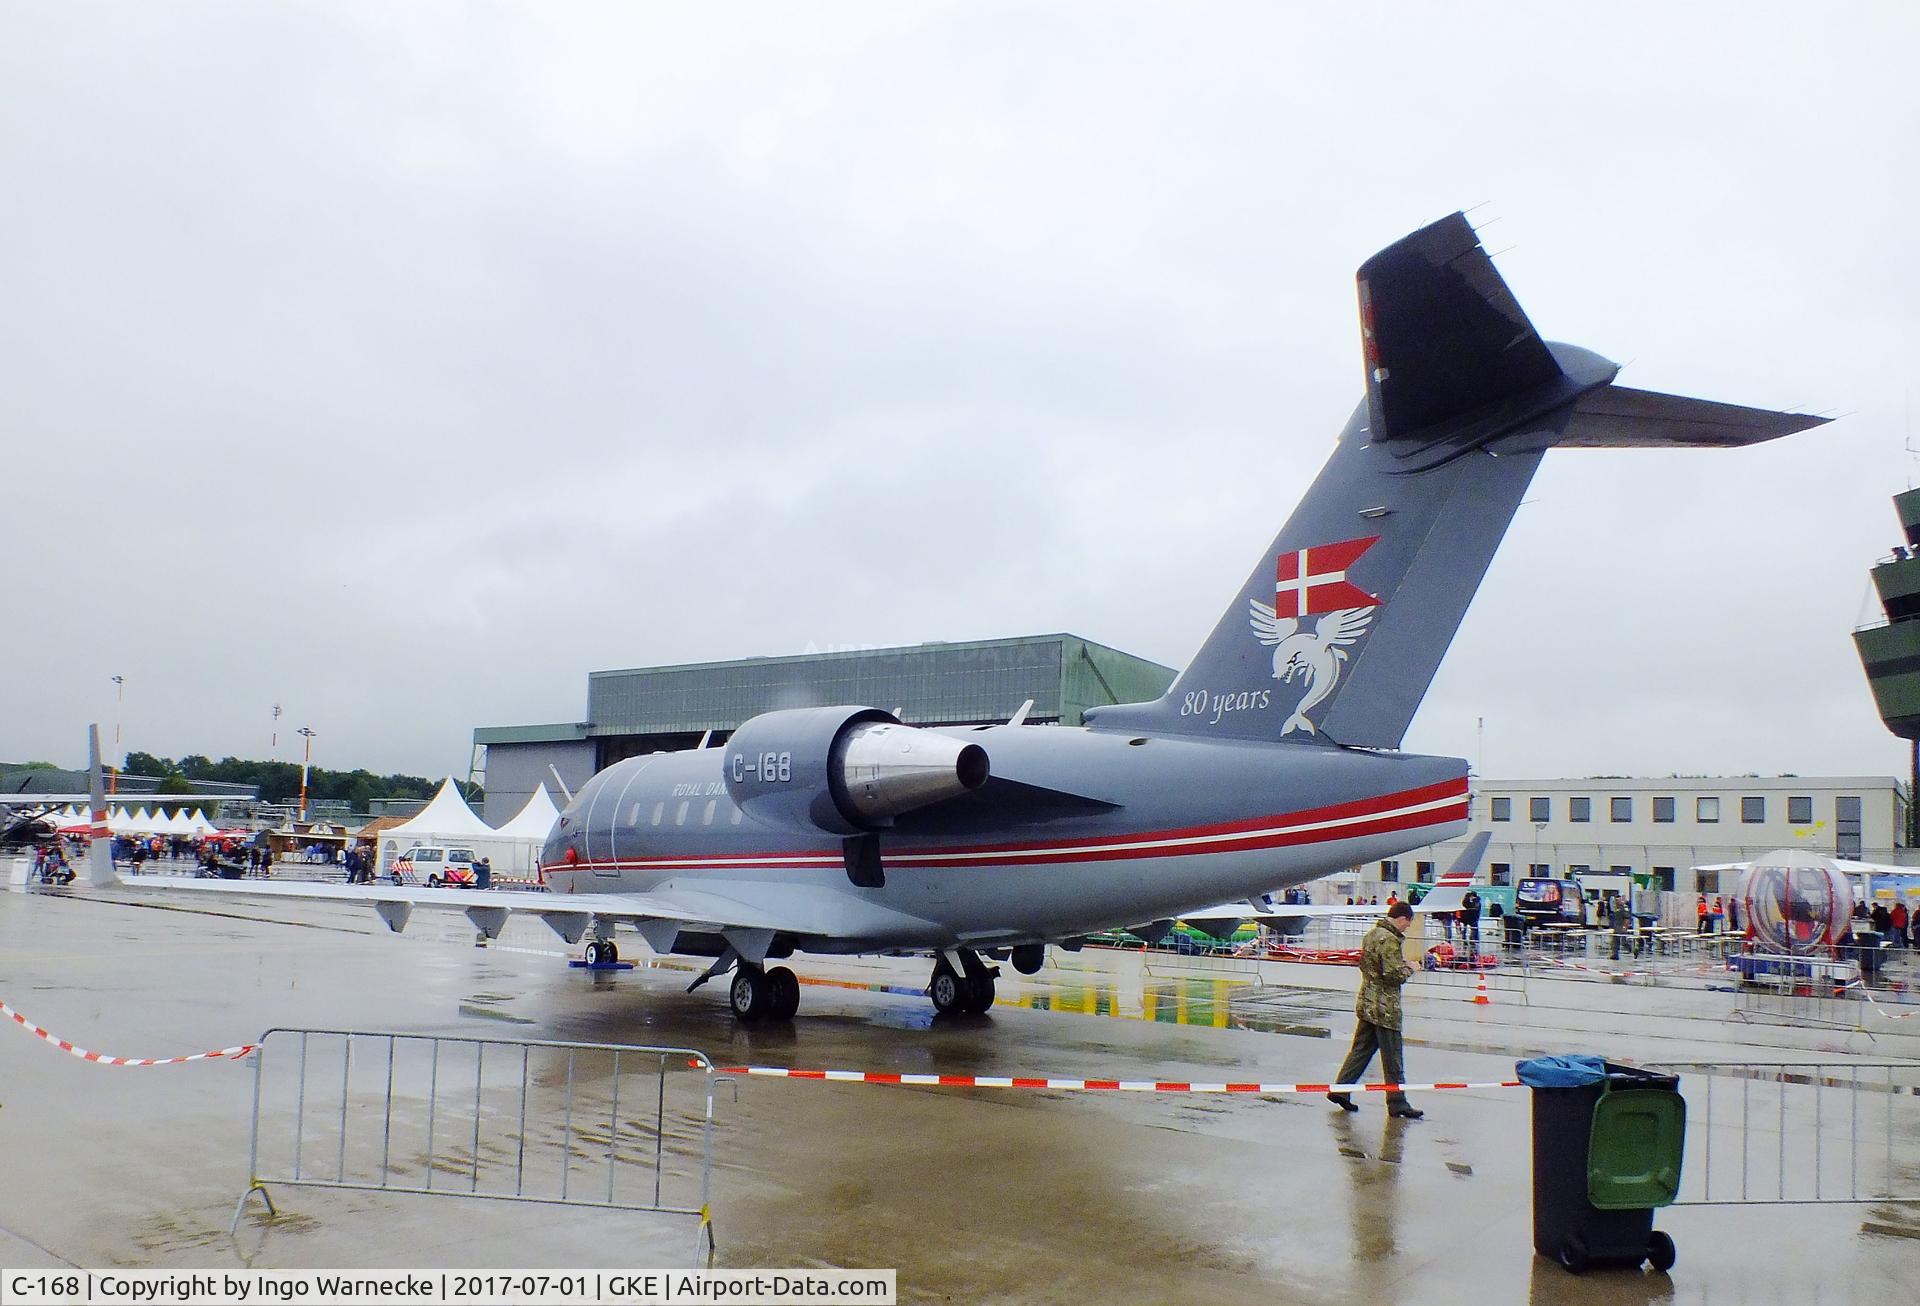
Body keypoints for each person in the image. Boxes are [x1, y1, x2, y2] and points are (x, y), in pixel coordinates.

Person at [1327, 901, 1423, 1120]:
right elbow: (1392, 975)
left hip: (1368, 1003)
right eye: (1407, 924)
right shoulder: (1389, 940)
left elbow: (1371, 967)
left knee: (1360, 1051)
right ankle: (1398, 1103)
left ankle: (1340, 1090)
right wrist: (1410, 967)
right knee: (1393, 1058)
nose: (1406, 928)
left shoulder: (1372, 934)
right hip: (1385, 1008)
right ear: (1401, 919)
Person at [1459, 890, 1482, 958]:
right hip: (1471, 918)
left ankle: (1472, 940)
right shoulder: (1476, 901)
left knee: (1472, 929)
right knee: (1473, 929)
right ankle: (1472, 940)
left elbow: (1471, 908)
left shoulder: (1474, 901)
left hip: (1470, 918)